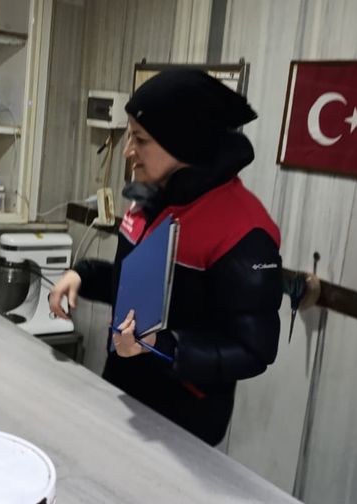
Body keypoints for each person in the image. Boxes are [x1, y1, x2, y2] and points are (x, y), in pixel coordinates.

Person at [48, 70, 282, 446]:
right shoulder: (153, 198)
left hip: (183, 419)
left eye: (139, 139)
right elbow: (143, 293)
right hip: (123, 391)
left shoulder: (243, 228)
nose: (128, 151)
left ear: (183, 144)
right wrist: (84, 275)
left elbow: (253, 349)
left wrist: (161, 345)